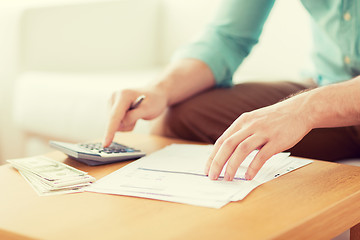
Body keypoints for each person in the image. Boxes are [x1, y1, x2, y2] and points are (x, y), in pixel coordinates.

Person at [102, 0, 360, 181]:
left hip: (334, 101)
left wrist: (305, 109)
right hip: (328, 85)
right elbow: (228, 37)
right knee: (182, 116)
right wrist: (160, 89)